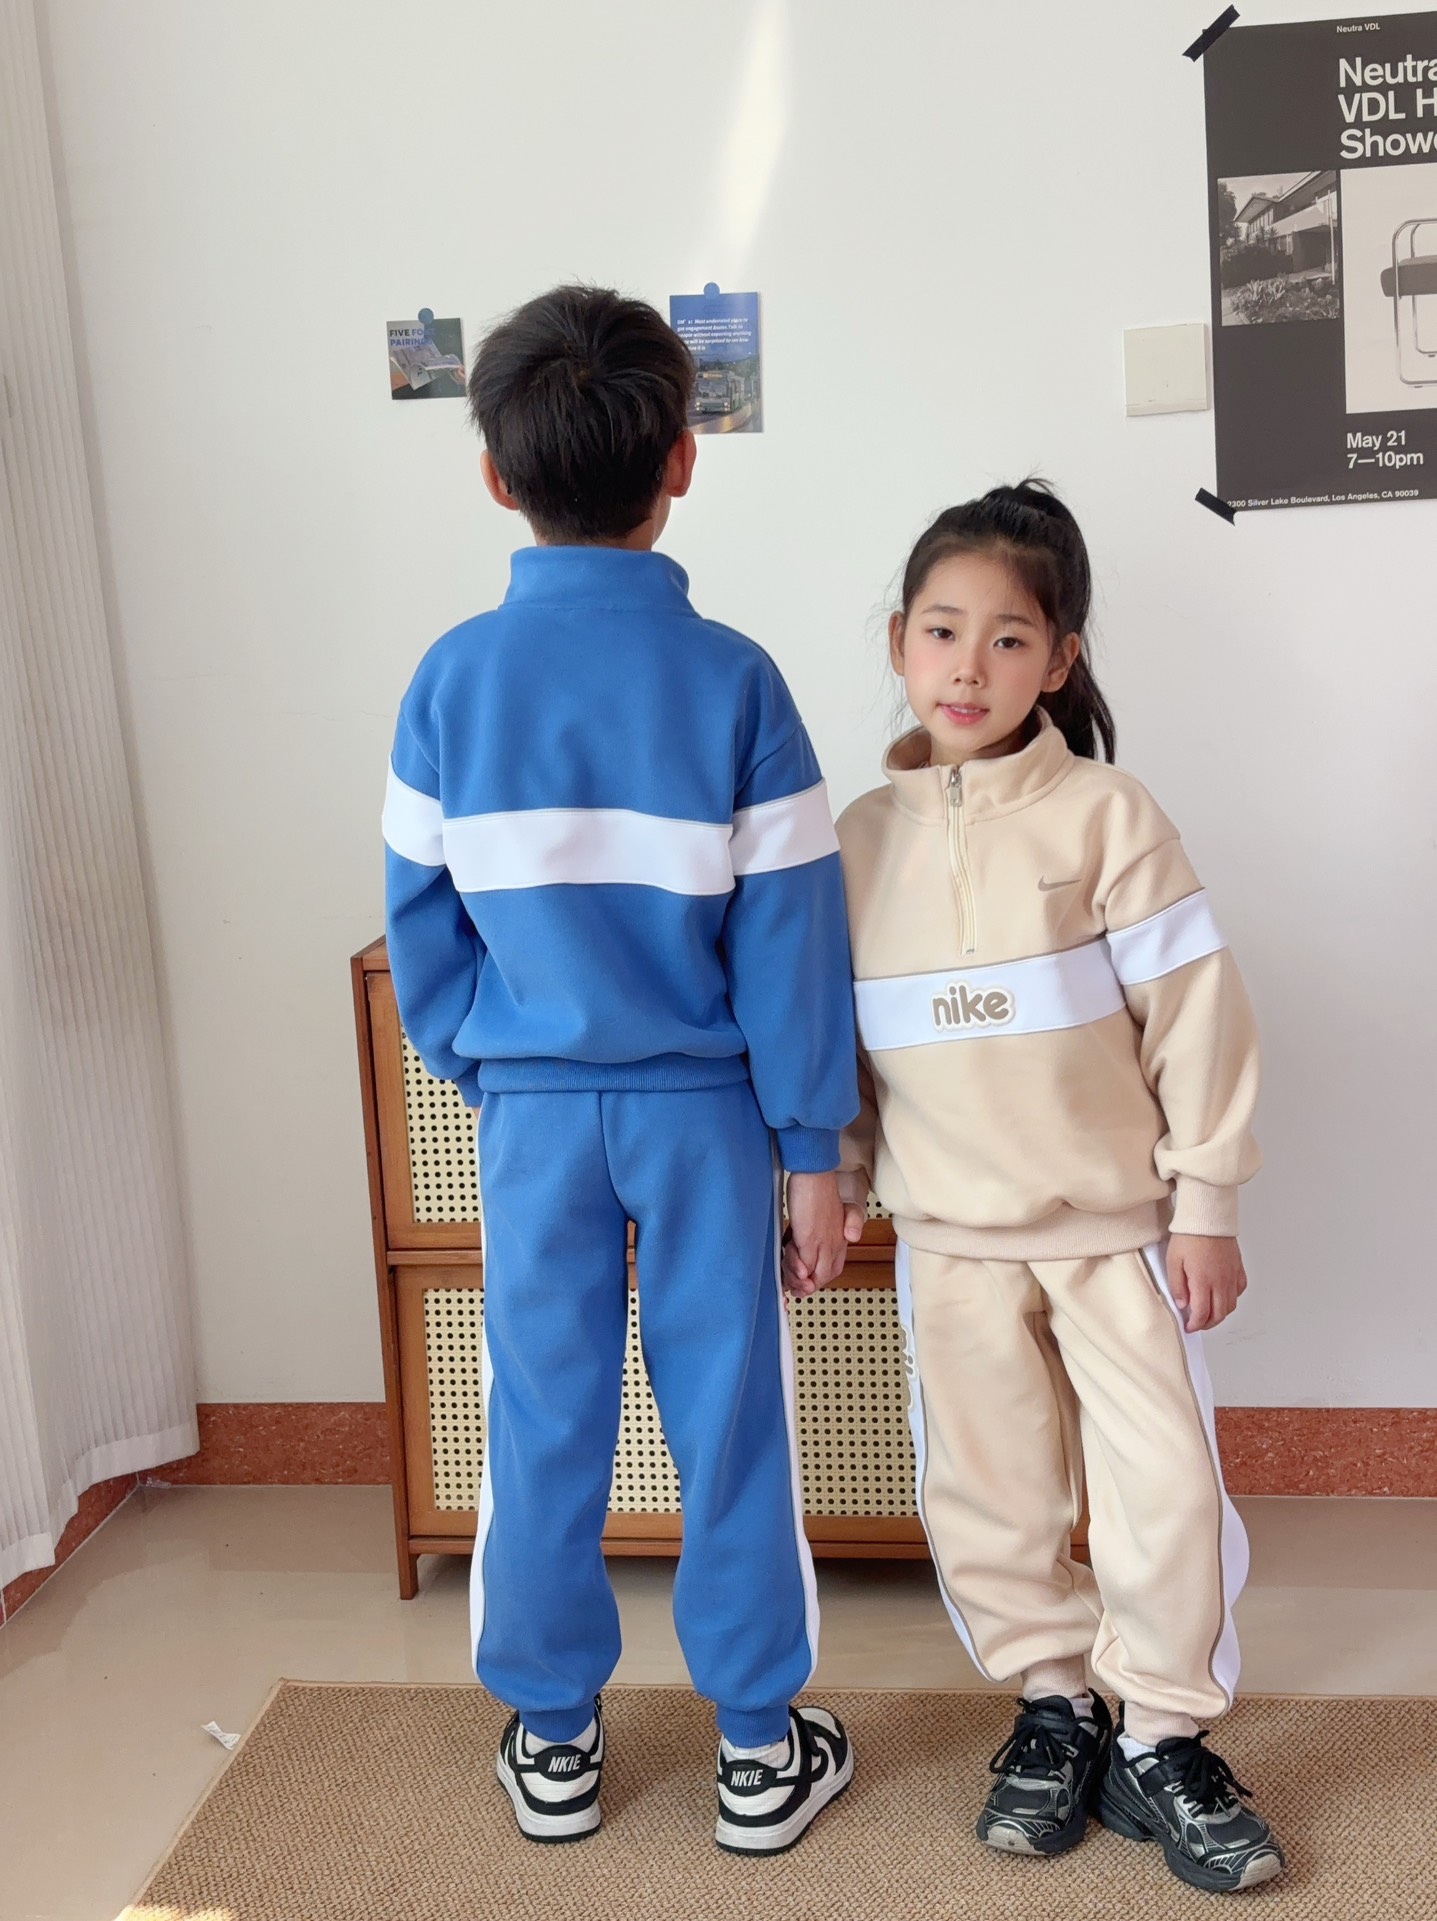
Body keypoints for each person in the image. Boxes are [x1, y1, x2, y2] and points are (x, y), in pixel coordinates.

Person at [382, 285, 857, 1853]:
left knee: (540, 1413)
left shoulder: (448, 681)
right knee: (729, 1417)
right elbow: (792, 941)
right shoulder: (739, 681)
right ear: (681, 460)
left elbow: (420, 922)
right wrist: (811, 1148)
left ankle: (555, 1737)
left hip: (533, 1115)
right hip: (706, 1115)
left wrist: (490, 1072)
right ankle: (756, 1749)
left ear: (494, 475)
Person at [785, 481, 1284, 1894]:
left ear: (1059, 659)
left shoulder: (1106, 814)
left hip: (1117, 1232)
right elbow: (840, 1048)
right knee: (987, 1488)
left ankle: (1163, 1733)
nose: (969, 665)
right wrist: (840, 1175)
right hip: (948, 1239)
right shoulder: (855, 842)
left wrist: (1206, 1202)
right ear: (898, 641)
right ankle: (1055, 1705)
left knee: (1161, 1487)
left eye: (1008, 639)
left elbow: (1196, 1018)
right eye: (942, 631)